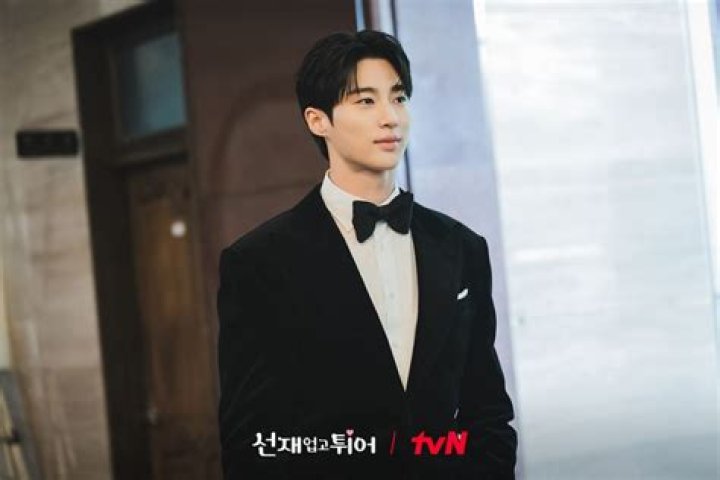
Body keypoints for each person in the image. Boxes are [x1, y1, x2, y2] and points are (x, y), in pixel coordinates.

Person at [217, 29, 517, 480]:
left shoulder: (461, 247)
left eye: (398, 98)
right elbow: (251, 441)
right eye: (366, 101)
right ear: (318, 120)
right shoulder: (260, 263)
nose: (390, 117)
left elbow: (488, 411)